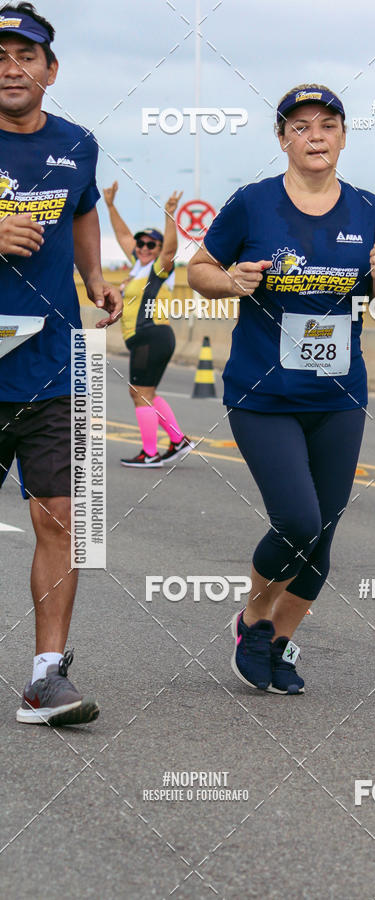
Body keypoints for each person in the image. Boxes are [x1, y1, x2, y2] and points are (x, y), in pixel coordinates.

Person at [188, 83, 375, 694]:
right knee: (298, 520)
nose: (316, 136)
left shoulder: (368, 208)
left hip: (338, 396)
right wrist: (231, 280)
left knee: (323, 534)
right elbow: (197, 269)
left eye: (328, 125)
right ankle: (253, 618)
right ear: (282, 138)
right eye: (301, 126)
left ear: (343, 135)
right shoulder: (253, 204)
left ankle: (275, 644)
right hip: (264, 394)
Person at [0, 4, 122, 724]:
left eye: (24, 56)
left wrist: (94, 276)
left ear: (50, 70)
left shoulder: (77, 145)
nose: (10, 69)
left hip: (49, 369)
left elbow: (80, 210)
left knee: (62, 519)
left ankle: (49, 676)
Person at [103, 181, 195, 467]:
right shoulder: (137, 267)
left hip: (151, 335)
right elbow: (122, 235)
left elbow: (170, 250)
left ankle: (150, 453)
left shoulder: (158, 270)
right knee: (145, 393)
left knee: (140, 393)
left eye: (149, 245)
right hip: (146, 337)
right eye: (141, 243)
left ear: (156, 250)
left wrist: (170, 215)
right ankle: (178, 440)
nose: (143, 247)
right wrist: (110, 206)